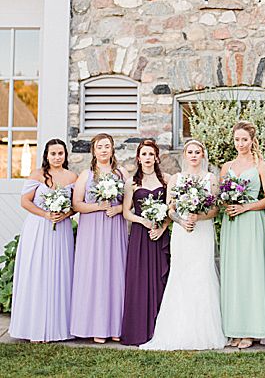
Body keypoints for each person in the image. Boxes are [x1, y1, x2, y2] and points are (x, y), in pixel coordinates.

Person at [142, 139, 227, 351]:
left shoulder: (211, 179)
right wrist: (181, 220)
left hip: (203, 231)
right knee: (180, 275)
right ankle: (177, 330)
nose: (194, 155)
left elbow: (216, 209)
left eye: (198, 152)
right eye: (190, 151)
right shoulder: (176, 179)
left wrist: (198, 216)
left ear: (203, 155)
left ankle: (205, 332)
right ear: (185, 155)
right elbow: (170, 208)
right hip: (182, 234)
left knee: (203, 274)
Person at [9, 139, 76, 343]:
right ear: (47, 155)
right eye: (53, 153)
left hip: (61, 229)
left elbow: (76, 204)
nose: (57, 157)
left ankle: (58, 327)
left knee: (60, 272)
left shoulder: (72, 176)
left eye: (61, 153)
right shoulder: (37, 174)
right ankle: (34, 327)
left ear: (65, 155)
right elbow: (24, 201)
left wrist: (65, 215)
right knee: (38, 272)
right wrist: (46, 214)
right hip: (38, 228)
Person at [219, 121, 265, 348]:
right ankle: (234, 328)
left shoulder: (261, 165)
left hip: (251, 221)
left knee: (251, 272)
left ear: (252, 140)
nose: (240, 144)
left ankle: (251, 330)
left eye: (244, 139)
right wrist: (228, 205)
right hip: (232, 223)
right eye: (237, 140)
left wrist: (246, 207)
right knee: (233, 273)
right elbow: (220, 195)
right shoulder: (226, 166)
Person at [69, 133, 128, 343]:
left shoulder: (121, 173)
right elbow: (76, 204)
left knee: (115, 272)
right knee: (93, 273)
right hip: (91, 231)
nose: (104, 150)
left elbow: (129, 204)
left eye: (107, 146)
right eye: (100, 147)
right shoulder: (85, 175)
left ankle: (115, 326)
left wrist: (118, 208)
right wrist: (98, 206)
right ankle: (95, 326)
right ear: (93, 151)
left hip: (114, 229)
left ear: (112, 149)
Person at [120, 139, 171, 346]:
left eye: (151, 154)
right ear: (139, 158)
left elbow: (170, 209)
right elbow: (126, 212)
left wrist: (161, 227)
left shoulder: (167, 180)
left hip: (159, 236)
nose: (148, 158)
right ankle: (139, 330)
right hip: (141, 236)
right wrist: (144, 220)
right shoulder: (132, 182)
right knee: (139, 280)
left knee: (161, 279)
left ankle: (160, 328)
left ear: (156, 157)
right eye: (144, 154)